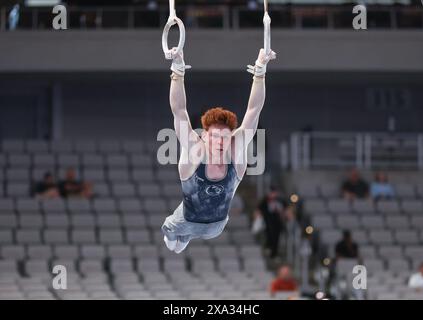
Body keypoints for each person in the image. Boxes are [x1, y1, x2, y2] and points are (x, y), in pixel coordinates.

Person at [161, 46, 276, 254]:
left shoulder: (235, 152)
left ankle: (183, 237)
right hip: (186, 221)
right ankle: (181, 237)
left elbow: (253, 111)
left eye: (225, 137)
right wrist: (177, 70)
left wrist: (260, 71)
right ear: (204, 136)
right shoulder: (195, 151)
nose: (221, 142)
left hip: (217, 226)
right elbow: (179, 112)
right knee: (174, 246)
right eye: (215, 136)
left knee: (177, 243)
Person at [255, 187, 285, 258]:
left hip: (277, 222)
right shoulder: (265, 200)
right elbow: (259, 209)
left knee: (276, 238)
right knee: (269, 235)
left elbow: (285, 209)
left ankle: (274, 253)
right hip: (267, 221)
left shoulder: (280, 200)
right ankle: (268, 247)